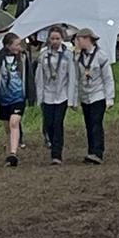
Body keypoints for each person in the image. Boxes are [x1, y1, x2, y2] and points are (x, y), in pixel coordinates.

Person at [0, 33, 35, 166]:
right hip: (4, 97)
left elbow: (29, 76)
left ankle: (13, 154)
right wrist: (1, 54)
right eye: (17, 45)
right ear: (8, 46)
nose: (19, 47)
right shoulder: (0, 58)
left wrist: (31, 95)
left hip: (18, 96)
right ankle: (10, 151)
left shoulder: (23, 58)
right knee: (8, 126)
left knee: (14, 122)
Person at [38, 25, 77, 165]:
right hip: (47, 94)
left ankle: (57, 154)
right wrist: (39, 96)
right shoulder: (43, 55)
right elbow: (40, 76)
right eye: (52, 38)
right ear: (48, 39)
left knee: (57, 123)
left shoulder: (68, 55)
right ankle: (51, 142)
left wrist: (72, 99)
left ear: (62, 39)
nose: (55, 41)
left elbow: (72, 77)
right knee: (48, 123)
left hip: (62, 94)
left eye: (57, 38)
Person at [73, 27, 112, 164]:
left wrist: (109, 98)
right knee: (88, 124)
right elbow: (76, 77)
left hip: (98, 95)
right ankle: (91, 151)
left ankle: (98, 152)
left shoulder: (101, 56)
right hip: (85, 95)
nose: (77, 43)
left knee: (96, 123)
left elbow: (108, 78)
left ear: (87, 39)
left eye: (79, 40)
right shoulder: (79, 57)